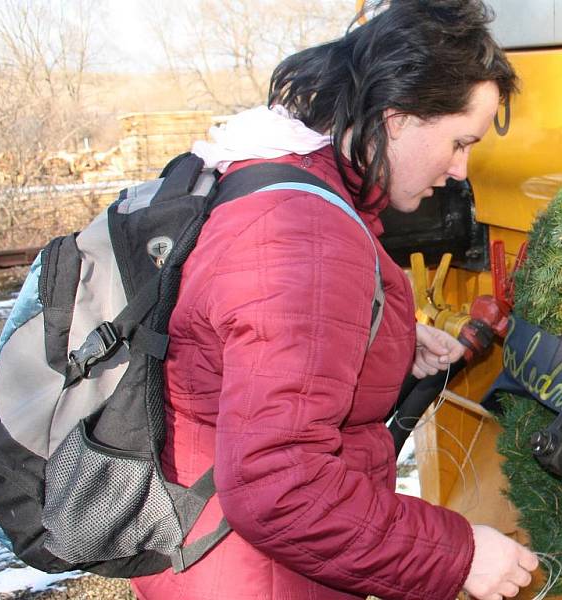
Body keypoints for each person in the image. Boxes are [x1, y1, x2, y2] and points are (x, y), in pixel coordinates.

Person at [131, 1, 538, 599]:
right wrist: (461, 554)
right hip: (254, 579)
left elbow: (256, 351)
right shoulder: (305, 236)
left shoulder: (283, 175)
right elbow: (279, 485)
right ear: (398, 119)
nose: (460, 169)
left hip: (214, 556)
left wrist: (385, 341)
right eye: (458, 142)